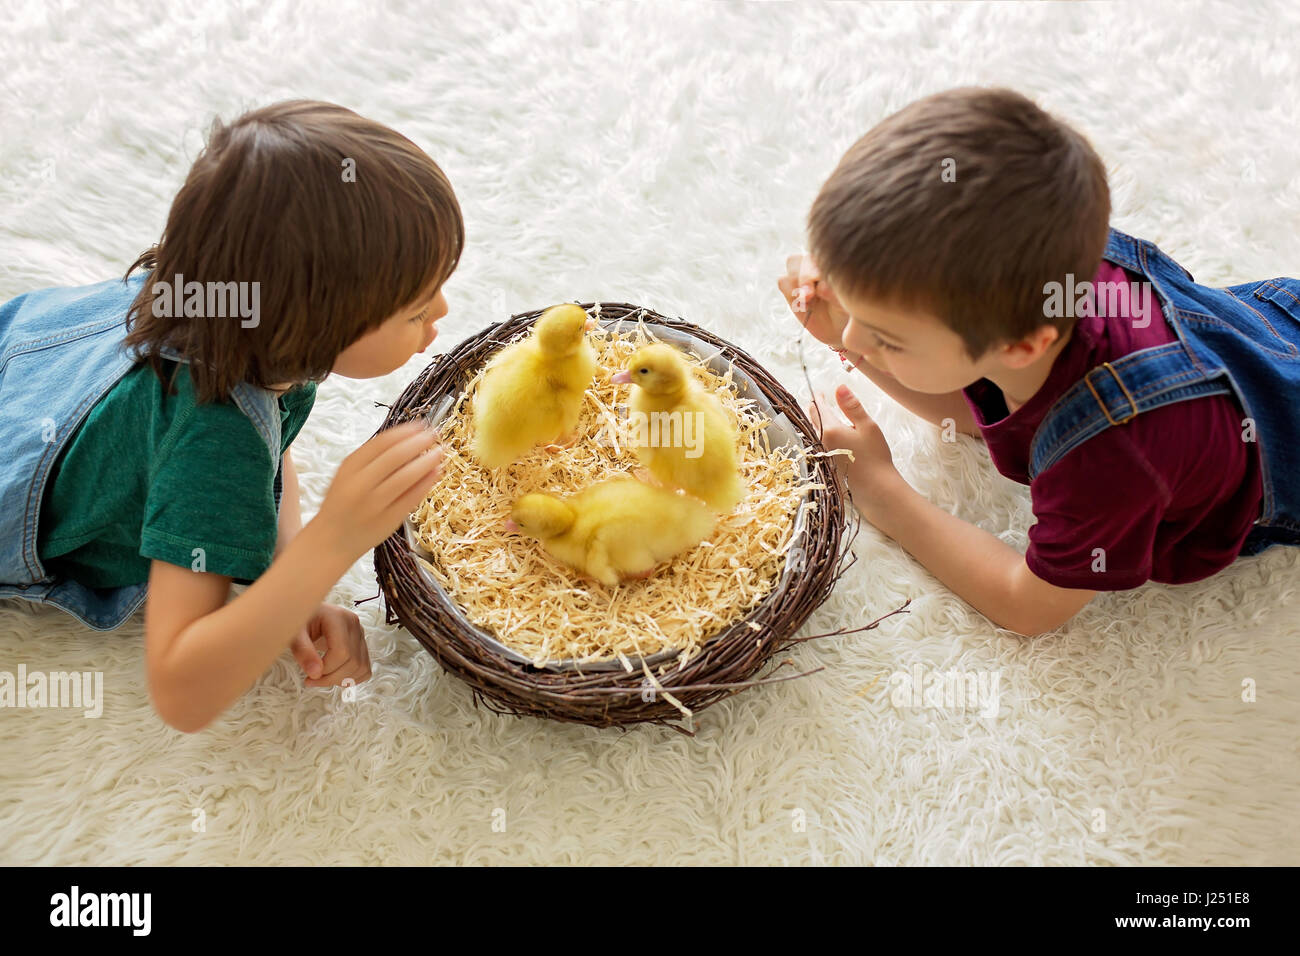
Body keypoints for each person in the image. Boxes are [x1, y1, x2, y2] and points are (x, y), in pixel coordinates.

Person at [0, 100, 456, 731]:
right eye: (414, 309)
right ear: (315, 322)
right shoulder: (212, 439)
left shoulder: (226, 313)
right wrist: (331, 542)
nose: (443, 309)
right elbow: (181, 691)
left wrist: (287, 571)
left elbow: (271, 445)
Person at [778, 87, 1300, 637]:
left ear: (1019, 348)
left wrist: (886, 493)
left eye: (887, 336)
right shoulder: (1045, 271)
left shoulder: (1111, 458)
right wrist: (855, 331)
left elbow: (1027, 605)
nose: (855, 336)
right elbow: (978, 414)